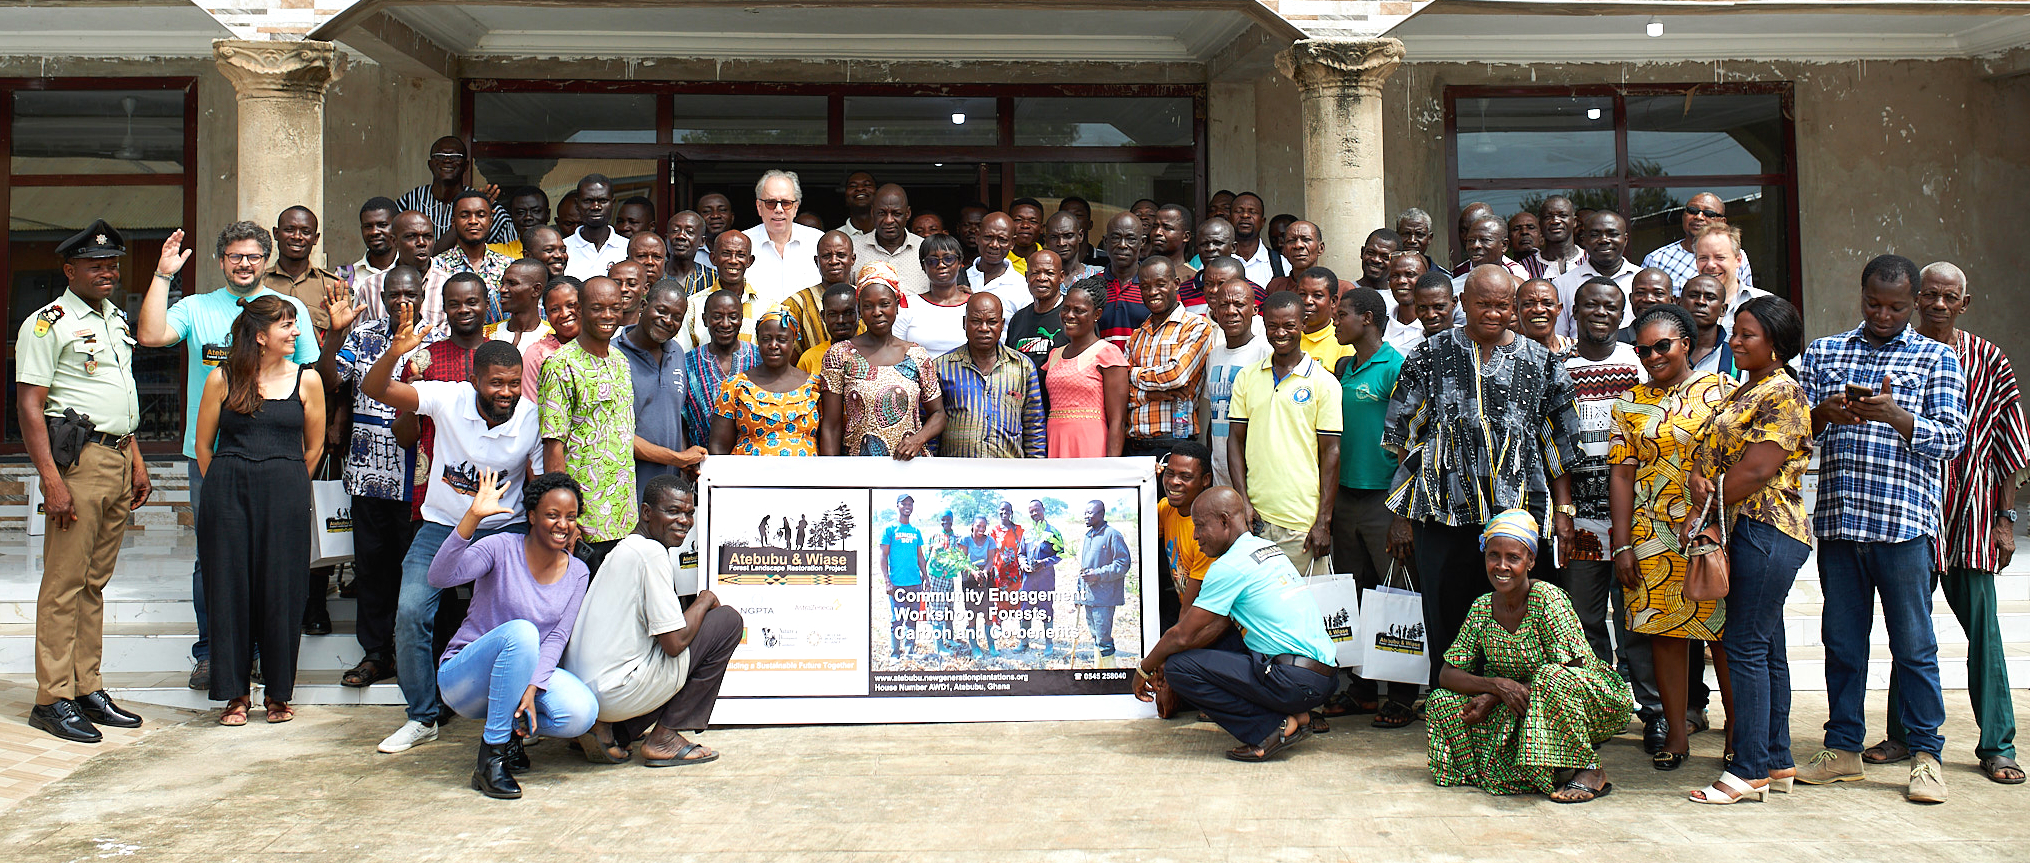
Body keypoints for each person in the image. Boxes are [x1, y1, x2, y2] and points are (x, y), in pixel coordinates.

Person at [1796, 255, 1967, 804]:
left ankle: (1925, 755)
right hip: (1842, 526)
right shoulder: (1824, 352)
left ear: (1915, 301)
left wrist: (1895, 414)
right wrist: (1823, 414)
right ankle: (1843, 748)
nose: (1884, 314)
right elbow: (1795, 435)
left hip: (1905, 527)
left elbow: (1952, 439)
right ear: (1861, 294)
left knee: (1914, 646)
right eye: (1874, 303)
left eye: (1896, 306)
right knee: (1842, 642)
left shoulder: (1937, 358)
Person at [137, 221, 319, 692]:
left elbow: (305, 382)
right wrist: (162, 275)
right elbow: (152, 336)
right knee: (213, 561)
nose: (244, 264)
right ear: (221, 261)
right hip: (215, 462)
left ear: (266, 260)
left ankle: (257, 656)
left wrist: (293, 473)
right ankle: (211, 654)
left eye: (254, 257)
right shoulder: (196, 308)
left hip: (276, 466)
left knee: (269, 562)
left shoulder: (288, 309)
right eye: (235, 256)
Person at [1384, 266, 1581, 688]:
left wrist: (1563, 511)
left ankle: (1522, 710)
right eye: (1483, 304)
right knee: (1448, 615)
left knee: (1521, 619)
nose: (1494, 313)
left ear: (1513, 307)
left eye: (1502, 305)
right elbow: (1402, 433)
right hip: (1443, 514)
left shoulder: (1543, 363)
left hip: (1519, 517)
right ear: (1463, 305)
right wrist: (1406, 507)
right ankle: (1455, 711)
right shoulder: (1428, 356)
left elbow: (1560, 446)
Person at [362, 302, 544, 755]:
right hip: (443, 528)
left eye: (512, 383)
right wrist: (395, 353)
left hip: (506, 532)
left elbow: (539, 482)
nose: (506, 392)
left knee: (519, 621)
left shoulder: (532, 419)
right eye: (495, 383)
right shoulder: (448, 397)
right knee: (409, 613)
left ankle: (514, 720)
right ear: (475, 381)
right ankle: (423, 717)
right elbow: (376, 387)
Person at [1869, 262, 2024, 785]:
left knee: (1983, 631)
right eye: (1929, 295)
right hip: (1908, 510)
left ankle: (1998, 743)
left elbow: (2010, 445)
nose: (1938, 303)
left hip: (1971, 512)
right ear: (1916, 299)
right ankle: (1902, 735)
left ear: (1964, 302)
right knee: (1909, 630)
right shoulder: (1894, 350)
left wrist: (2004, 519)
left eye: (1948, 296)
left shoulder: (1987, 358)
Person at [18, 221, 153, 742]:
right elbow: (30, 406)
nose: (107, 272)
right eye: (95, 265)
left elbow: (119, 397)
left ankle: (85, 685)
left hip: (117, 458)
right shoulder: (47, 324)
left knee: (94, 583)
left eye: (112, 264)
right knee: (63, 584)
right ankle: (52, 697)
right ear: (69, 270)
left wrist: (137, 461)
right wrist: (51, 482)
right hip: (78, 466)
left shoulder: (114, 318)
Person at [1680, 295, 1812, 803]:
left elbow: (1757, 469)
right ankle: (1776, 759)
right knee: (1766, 644)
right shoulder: (1747, 390)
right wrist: (1700, 476)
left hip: (1766, 527)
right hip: (1746, 529)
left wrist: (1702, 509)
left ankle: (1749, 766)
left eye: (1747, 335)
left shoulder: (1784, 393)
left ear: (1776, 345)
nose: (1734, 341)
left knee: (1745, 647)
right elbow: (1715, 456)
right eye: (1735, 332)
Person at [1425, 510, 1633, 802]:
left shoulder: (1547, 598)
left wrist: (1499, 694)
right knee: (1442, 701)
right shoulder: (1483, 607)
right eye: (1493, 556)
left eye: (1513, 558)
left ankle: (1589, 769)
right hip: (1523, 702)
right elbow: (1447, 674)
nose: (1501, 566)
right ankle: (1511, 770)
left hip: (1584, 697)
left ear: (1531, 561)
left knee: (1551, 677)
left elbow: (1572, 668)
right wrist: (1495, 686)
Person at [1608, 303, 1734, 772]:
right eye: (1643, 349)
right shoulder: (1629, 403)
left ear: (1686, 343)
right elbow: (1621, 476)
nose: (1653, 356)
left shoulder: (1723, 392)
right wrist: (1621, 545)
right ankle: (1677, 736)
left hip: (1709, 532)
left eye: (1663, 345)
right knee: (1665, 635)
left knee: (1722, 635)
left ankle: (1736, 735)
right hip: (1651, 536)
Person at [193, 295, 324, 726]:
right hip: (227, 490)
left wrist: (283, 478)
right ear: (261, 335)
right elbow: (203, 446)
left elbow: (314, 447)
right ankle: (233, 695)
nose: (296, 332)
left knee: (283, 589)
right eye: (287, 325)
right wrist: (228, 481)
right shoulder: (222, 378)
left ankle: (278, 693)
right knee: (229, 588)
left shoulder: (307, 380)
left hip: (285, 490)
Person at [428, 470, 596, 799]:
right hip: (463, 679)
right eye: (552, 515)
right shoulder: (501, 547)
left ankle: (510, 729)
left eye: (571, 517)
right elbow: (440, 576)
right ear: (531, 516)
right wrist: (472, 517)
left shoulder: (578, 571)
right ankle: (490, 760)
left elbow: (557, 638)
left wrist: (533, 689)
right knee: (522, 633)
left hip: (518, 680)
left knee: (582, 712)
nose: (563, 524)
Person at [1134, 487, 1335, 761]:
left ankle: (1270, 728)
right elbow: (1214, 627)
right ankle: (1296, 714)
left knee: (1181, 669)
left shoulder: (1229, 566)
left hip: (1295, 680)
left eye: (1201, 526)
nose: (1195, 536)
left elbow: (1181, 635)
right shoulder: (1266, 549)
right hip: (1321, 677)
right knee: (1215, 640)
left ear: (1225, 521)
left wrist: (1145, 668)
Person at [564, 476, 743, 767]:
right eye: (673, 511)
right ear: (647, 513)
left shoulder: (623, 549)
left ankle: (611, 730)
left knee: (656, 655)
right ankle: (665, 739)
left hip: (587, 694)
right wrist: (705, 600)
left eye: (689, 513)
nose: (684, 521)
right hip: (615, 691)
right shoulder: (651, 554)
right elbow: (674, 644)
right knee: (727, 622)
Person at [320, 265, 426, 691]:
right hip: (368, 474)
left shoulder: (434, 341)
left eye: (409, 294)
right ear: (381, 297)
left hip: (419, 478)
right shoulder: (364, 336)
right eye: (393, 295)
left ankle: (414, 654)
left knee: (415, 571)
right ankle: (376, 653)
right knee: (372, 567)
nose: (401, 302)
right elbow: (331, 379)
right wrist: (335, 335)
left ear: (421, 294)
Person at [1553, 279, 1646, 688]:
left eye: (1610, 306)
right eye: (1590, 305)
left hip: (1638, 516)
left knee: (1638, 617)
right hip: (1583, 519)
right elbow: (1553, 444)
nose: (1600, 313)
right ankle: (1596, 704)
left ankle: (1652, 711)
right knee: (1583, 620)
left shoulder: (1639, 364)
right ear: (1575, 312)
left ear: (1622, 313)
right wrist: (1565, 512)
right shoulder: (1559, 368)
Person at [1326, 286, 1411, 726]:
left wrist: (1401, 512)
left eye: (1342, 315)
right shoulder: (1344, 367)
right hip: (1346, 496)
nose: (1335, 321)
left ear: (1369, 320)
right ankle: (1360, 689)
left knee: (1394, 596)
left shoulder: (1395, 367)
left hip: (1382, 497)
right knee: (1353, 596)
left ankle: (1400, 692)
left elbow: (1410, 441)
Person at [1228, 291, 1343, 572]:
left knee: (1306, 609)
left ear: (1303, 324)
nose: (1280, 333)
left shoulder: (1324, 383)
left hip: (1301, 524)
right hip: (1256, 519)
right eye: (1273, 326)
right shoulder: (1247, 376)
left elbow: (1331, 452)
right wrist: (1243, 501)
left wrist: (1323, 522)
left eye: (1289, 325)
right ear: (1263, 324)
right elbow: (1234, 441)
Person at [539, 276, 638, 569]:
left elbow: (622, 432)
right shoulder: (560, 364)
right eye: (598, 308)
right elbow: (553, 446)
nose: (608, 316)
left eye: (615, 308)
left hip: (624, 517)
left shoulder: (621, 361)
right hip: (585, 524)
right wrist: (565, 519)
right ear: (580, 310)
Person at [819, 264, 947, 459]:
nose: (877, 312)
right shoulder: (840, 355)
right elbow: (831, 426)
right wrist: (835, 482)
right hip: (860, 470)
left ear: (897, 304)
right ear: (859, 310)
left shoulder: (917, 356)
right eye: (868, 306)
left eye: (884, 304)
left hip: (910, 467)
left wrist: (918, 439)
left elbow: (938, 415)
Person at [933, 293, 1046, 459]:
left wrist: (1033, 472)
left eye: (992, 322)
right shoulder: (942, 368)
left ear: (1002, 324)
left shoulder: (1023, 367)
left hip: (1009, 475)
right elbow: (931, 427)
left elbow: (1034, 426)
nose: (984, 328)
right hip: (956, 477)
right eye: (976, 321)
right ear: (965, 323)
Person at [620, 279, 707, 489]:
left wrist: (684, 461)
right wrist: (677, 458)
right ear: (643, 306)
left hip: (667, 486)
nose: (668, 320)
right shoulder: (614, 356)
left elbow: (675, 417)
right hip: (627, 485)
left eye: (677, 317)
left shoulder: (676, 352)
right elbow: (618, 436)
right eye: (661, 311)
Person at [1124, 256, 1214, 459]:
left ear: (1176, 284)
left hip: (1175, 445)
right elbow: (1120, 390)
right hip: (1134, 446)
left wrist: (1133, 374)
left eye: (1160, 284)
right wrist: (1149, 395)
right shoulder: (1137, 335)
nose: (1152, 292)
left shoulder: (1195, 326)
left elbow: (1176, 375)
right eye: (1145, 286)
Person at [710, 310, 821, 456]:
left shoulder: (814, 386)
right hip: (749, 476)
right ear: (758, 341)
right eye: (766, 339)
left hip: (804, 476)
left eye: (781, 339)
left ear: (794, 341)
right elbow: (718, 446)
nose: (773, 345)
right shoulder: (736, 386)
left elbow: (829, 435)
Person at [1200, 268, 1273, 487]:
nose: (1231, 311)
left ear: (1254, 310)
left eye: (1239, 305)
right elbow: (1214, 411)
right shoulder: (1214, 355)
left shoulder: (1265, 352)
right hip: (1220, 468)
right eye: (1224, 305)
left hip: (1255, 470)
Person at [1043, 279, 1128, 458]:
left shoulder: (1108, 353)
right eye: (1066, 308)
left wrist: (1111, 468)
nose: (1069, 315)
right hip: (1055, 440)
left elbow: (1117, 421)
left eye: (1079, 310)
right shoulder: (1055, 354)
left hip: (1090, 443)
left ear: (1097, 314)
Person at [396, 136, 515, 249]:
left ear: (466, 165)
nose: (447, 160)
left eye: (455, 156)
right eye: (440, 155)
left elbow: (509, 255)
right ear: (430, 164)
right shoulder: (410, 202)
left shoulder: (486, 205)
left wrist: (481, 211)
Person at [682, 288, 760, 449]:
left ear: (741, 319)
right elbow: (681, 420)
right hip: (701, 461)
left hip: (752, 460)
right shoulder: (687, 363)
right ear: (705, 319)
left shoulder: (759, 358)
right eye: (717, 317)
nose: (725, 324)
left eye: (732, 317)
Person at [1156, 440, 1217, 630]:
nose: (1174, 481)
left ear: (1205, 480)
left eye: (1185, 476)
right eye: (1170, 473)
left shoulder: (1207, 534)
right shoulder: (1166, 508)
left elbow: (1189, 612)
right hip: (1184, 609)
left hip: (1208, 623)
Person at [744, 170, 825, 312]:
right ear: (759, 207)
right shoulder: (743, 244)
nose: (779, 209)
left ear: (796, 207)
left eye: (786, 203)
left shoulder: (818, 242)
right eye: (771, 203)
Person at [1553, 211, 1643, 339]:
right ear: (1584, 240)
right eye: (1595, 235)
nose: (1604, 240)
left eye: (1613, 234)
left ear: (1625, 239)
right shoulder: (1563, 284)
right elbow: (1559, 339)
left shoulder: (1641, 281)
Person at [1643, 193, 1756, 291]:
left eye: (1708, 213)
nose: (1699, 217)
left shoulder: (1735, 256)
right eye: (1692, 211)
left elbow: (1746, 299)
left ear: (1722, 222)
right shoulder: (1657, 259)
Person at [431, 191, 512, 322]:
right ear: (453, 222)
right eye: (464, 216)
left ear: (490, 221)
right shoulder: (436, 267)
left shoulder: (508, 266)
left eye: (480, 215)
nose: (473, 221)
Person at [262, 206, 346, 333]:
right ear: (276, 233)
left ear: (316, 238)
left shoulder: (333, 287)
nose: (297, 237)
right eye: (289, 230)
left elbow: (343, 339)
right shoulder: (259, 283)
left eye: (305, 232)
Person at [1077, 213, 1153, 350]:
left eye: (1130, 239)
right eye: (1116, 238)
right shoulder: (1091, 288)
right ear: (1106, 241)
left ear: (1142, 242)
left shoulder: (1155, 286)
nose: (1122, 245)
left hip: (1143, 370)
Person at [778, 230, 859, 358]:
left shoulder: (865, 299)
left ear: (853, 259)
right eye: (826, 256)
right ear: (817, 261)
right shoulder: (796, 305)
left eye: (841, 255)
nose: (833, 261)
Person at [1073, 500, 1132, 658]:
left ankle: (1108, 674)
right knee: (1095, 636)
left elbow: (1123, 564)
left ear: (1101, 514)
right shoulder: (1088, 536)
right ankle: (1099, 671)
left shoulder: (1112, 535)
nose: (1086, 516)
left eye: (1090, 513)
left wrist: (1097, 574)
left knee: (1103, 639)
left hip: (1104, 598)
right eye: (1085, 513)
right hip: (1089, 597)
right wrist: (1079, 593)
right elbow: (1084, 568)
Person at [898, 233, 973, 355]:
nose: (941, 265)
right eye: (932, 261)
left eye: (948, 259)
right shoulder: (907, 306)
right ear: (923, 266)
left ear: (960, 262)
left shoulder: (974, 305)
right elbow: (896, 349)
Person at [683, 229, 758, 347]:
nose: (733, 260)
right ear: (713, 258)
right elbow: (685, 355)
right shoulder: (693, 306)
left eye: (740, 255)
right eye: (726, 254)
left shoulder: (766, 307)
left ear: (749, 261)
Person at [1694, 223, 1773, 328]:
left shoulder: (1765, 304)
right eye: (1703, 258)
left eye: (1720, 257)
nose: (1711, 265)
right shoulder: (1686, 308)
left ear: (1738, 260)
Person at [1016, 500, 1068, 655]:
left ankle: (1049, 644)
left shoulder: (1053, 532)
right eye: (1031, 511)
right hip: (1028, 580)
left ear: (1043, 509)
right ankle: (1023, 643)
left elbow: (1060, 554)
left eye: (1037, 510)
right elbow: (1021, 554)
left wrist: (1045, 563)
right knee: (1025, 610)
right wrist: (1023, 564)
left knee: (1046, 611)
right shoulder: (1027, 533)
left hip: (1045, 580)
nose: (1034, 514)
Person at [880, 495, 928, 657]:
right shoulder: (890, 529)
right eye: (904, 504)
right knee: (897, 620)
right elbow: (883, 556)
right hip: (897, 584)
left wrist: (926, 578)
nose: (907, 506)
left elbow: (920, 557)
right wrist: (887, 581)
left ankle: (909, 651)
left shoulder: (916, 531)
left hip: (914, 583)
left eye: (910, 504)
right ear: (897, 506)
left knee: (912, 619)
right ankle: (895, 654)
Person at [1005, 249, 1067, 369]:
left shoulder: (1074, 316)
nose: (1042, 278)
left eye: (1049, 273)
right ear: (1026, 277)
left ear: (1061, 277)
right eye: (1035, 273)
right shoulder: (1018, 319)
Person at [521, 276, 579, 401]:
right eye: (554, 309)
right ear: (546, 314)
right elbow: (530, 407)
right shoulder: (537, 355)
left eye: (571, 305)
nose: (564, 314)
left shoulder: (602, 348)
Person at [563, 174, 629, 280]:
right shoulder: (563, 250)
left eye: (603, 201)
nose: (596, 207)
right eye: (588, 201)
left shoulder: (628, 248)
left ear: (613, 203)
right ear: (577, 204)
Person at [342, 198, 401, 313]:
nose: (374, 232)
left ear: (397, 227)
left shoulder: (412, 271)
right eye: (368, 226)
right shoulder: (346, 276)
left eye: (382, 225)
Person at [485, 258, 553, 355]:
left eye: (512, 283)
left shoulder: (554, 338)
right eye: (502, 283)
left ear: (536, 290)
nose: (502, 289)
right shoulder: (485, 335)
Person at [963, 212, 1028, 311]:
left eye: (1002, 240)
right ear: (977, 237)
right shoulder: (959, 277)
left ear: (1012, 243)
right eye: (988, 237)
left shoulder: (1022, 287)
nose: (994, 245)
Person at [1447, 214, 1530, 285]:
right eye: (1471, 240)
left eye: (1485, 240)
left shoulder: (1519, 281)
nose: (1475, 246)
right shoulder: (1454, 286)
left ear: (1504, 245)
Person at [1680, 275, 1737, 377]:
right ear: (1679, 303)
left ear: (1723, 310)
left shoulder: (1736, 358)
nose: (1701, 302)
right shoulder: (1662, 350)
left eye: (1710, 297)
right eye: (1693, 295)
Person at [1292, 267, 1351, 366]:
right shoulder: (1286, 336)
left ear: (1333, 301)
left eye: (1317, 295)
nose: (1307, 301)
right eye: (1302, 294)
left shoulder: (1345, 343)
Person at [798, 282, 858, 375]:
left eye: (848, 313)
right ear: (823, 316)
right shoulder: (809, 360)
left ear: (860, 313)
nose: (840, 321)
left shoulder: (875, 354)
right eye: (833, 314)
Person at [1523, 196, 1585, 279]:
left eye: (1562, 215)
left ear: (1574, 222)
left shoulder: (1591, 260)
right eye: (1548, 217)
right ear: (1540, 224)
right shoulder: (1525, 267)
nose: (1555, 221)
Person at [1382, 252, 1430, 354]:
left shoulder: (1436, 327)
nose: (1401, 281)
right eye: (1395, 275)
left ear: (1426, 279)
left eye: (1410, 275)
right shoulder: (1379, 328)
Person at [1229, 193, 1281, 286]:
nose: (1245, 215)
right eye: (1238, 211)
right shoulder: (1215, 262)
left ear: (1262, 222)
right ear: (1229, 219)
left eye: (1252, 212)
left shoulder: (1280, 264)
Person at [662, 210, 717, 297]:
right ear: (666, 238)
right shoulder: (655, 275)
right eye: (675, 231)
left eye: (689, 232)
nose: (681, 236)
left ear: (702, 241)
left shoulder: (713, 279)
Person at [488, 186, 549, 260]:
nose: (528, 217)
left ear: (548, 215)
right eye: (520, 212)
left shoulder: (563, 252)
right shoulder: (495, 253)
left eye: (536, 211)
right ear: (512, 216)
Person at [1615, 268, 1673, 344]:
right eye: (1640, 293)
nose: (1648, 299)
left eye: (1658, 293)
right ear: (1630, 298)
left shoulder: (1681, 341)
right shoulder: (1614, 341)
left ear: (1672, 301)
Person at [1043, 211, 1097, 286]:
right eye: (1054, 237)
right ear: (1046, 240)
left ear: (1080, 236)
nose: (1061, 243)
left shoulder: (1095, 278)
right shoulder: (1039, 280)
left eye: (1068, 236)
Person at [1409, 271, 1458, 343]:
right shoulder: (1406, 352)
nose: (1430, 315)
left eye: (1438, 307)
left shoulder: (1474, 344)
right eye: (1423, 307)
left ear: (1454, 302)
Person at [1394, 208, 1438, 274]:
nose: (1412, 240)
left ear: (1429, 238)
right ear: (1397, 236)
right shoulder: (1385, 275)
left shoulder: (1444, 277)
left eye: (1419, 234)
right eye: (1406, 234)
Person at [1356, 228, 1400, 293]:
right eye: (1371, 253)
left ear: (1397, 261)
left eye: (1385, 257)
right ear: (1362, 252)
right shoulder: (1344, 291)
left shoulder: (1399, 298)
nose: (1376, 260)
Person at [1009, 197, 1048, 268]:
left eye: (1033, 221)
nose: (1025, 225)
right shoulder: (999, 260)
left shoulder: (1050, 260)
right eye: (1018, 220)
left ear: (1041, 228)